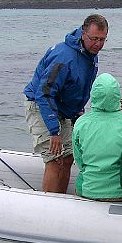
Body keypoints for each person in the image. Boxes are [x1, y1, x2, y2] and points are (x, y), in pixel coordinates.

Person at [24, 14, 108, 193]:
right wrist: (54, 131)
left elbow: (80, 88)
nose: (98, 44)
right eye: (94, 39)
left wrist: (78, 115)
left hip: (66, 110)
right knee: (55, 159)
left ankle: (62, 199)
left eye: (102, 40)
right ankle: (48, 204)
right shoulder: (63, 57)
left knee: (68, 157)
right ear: (83, 34)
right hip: (42, 105)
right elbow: (44, 93)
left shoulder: (90, 54)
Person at [71, 73, 122, 201]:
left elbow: (79, 160)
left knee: (80, 181)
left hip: (89, 189)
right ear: (117, 95)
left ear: (94, 94)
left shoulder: (81, 122)